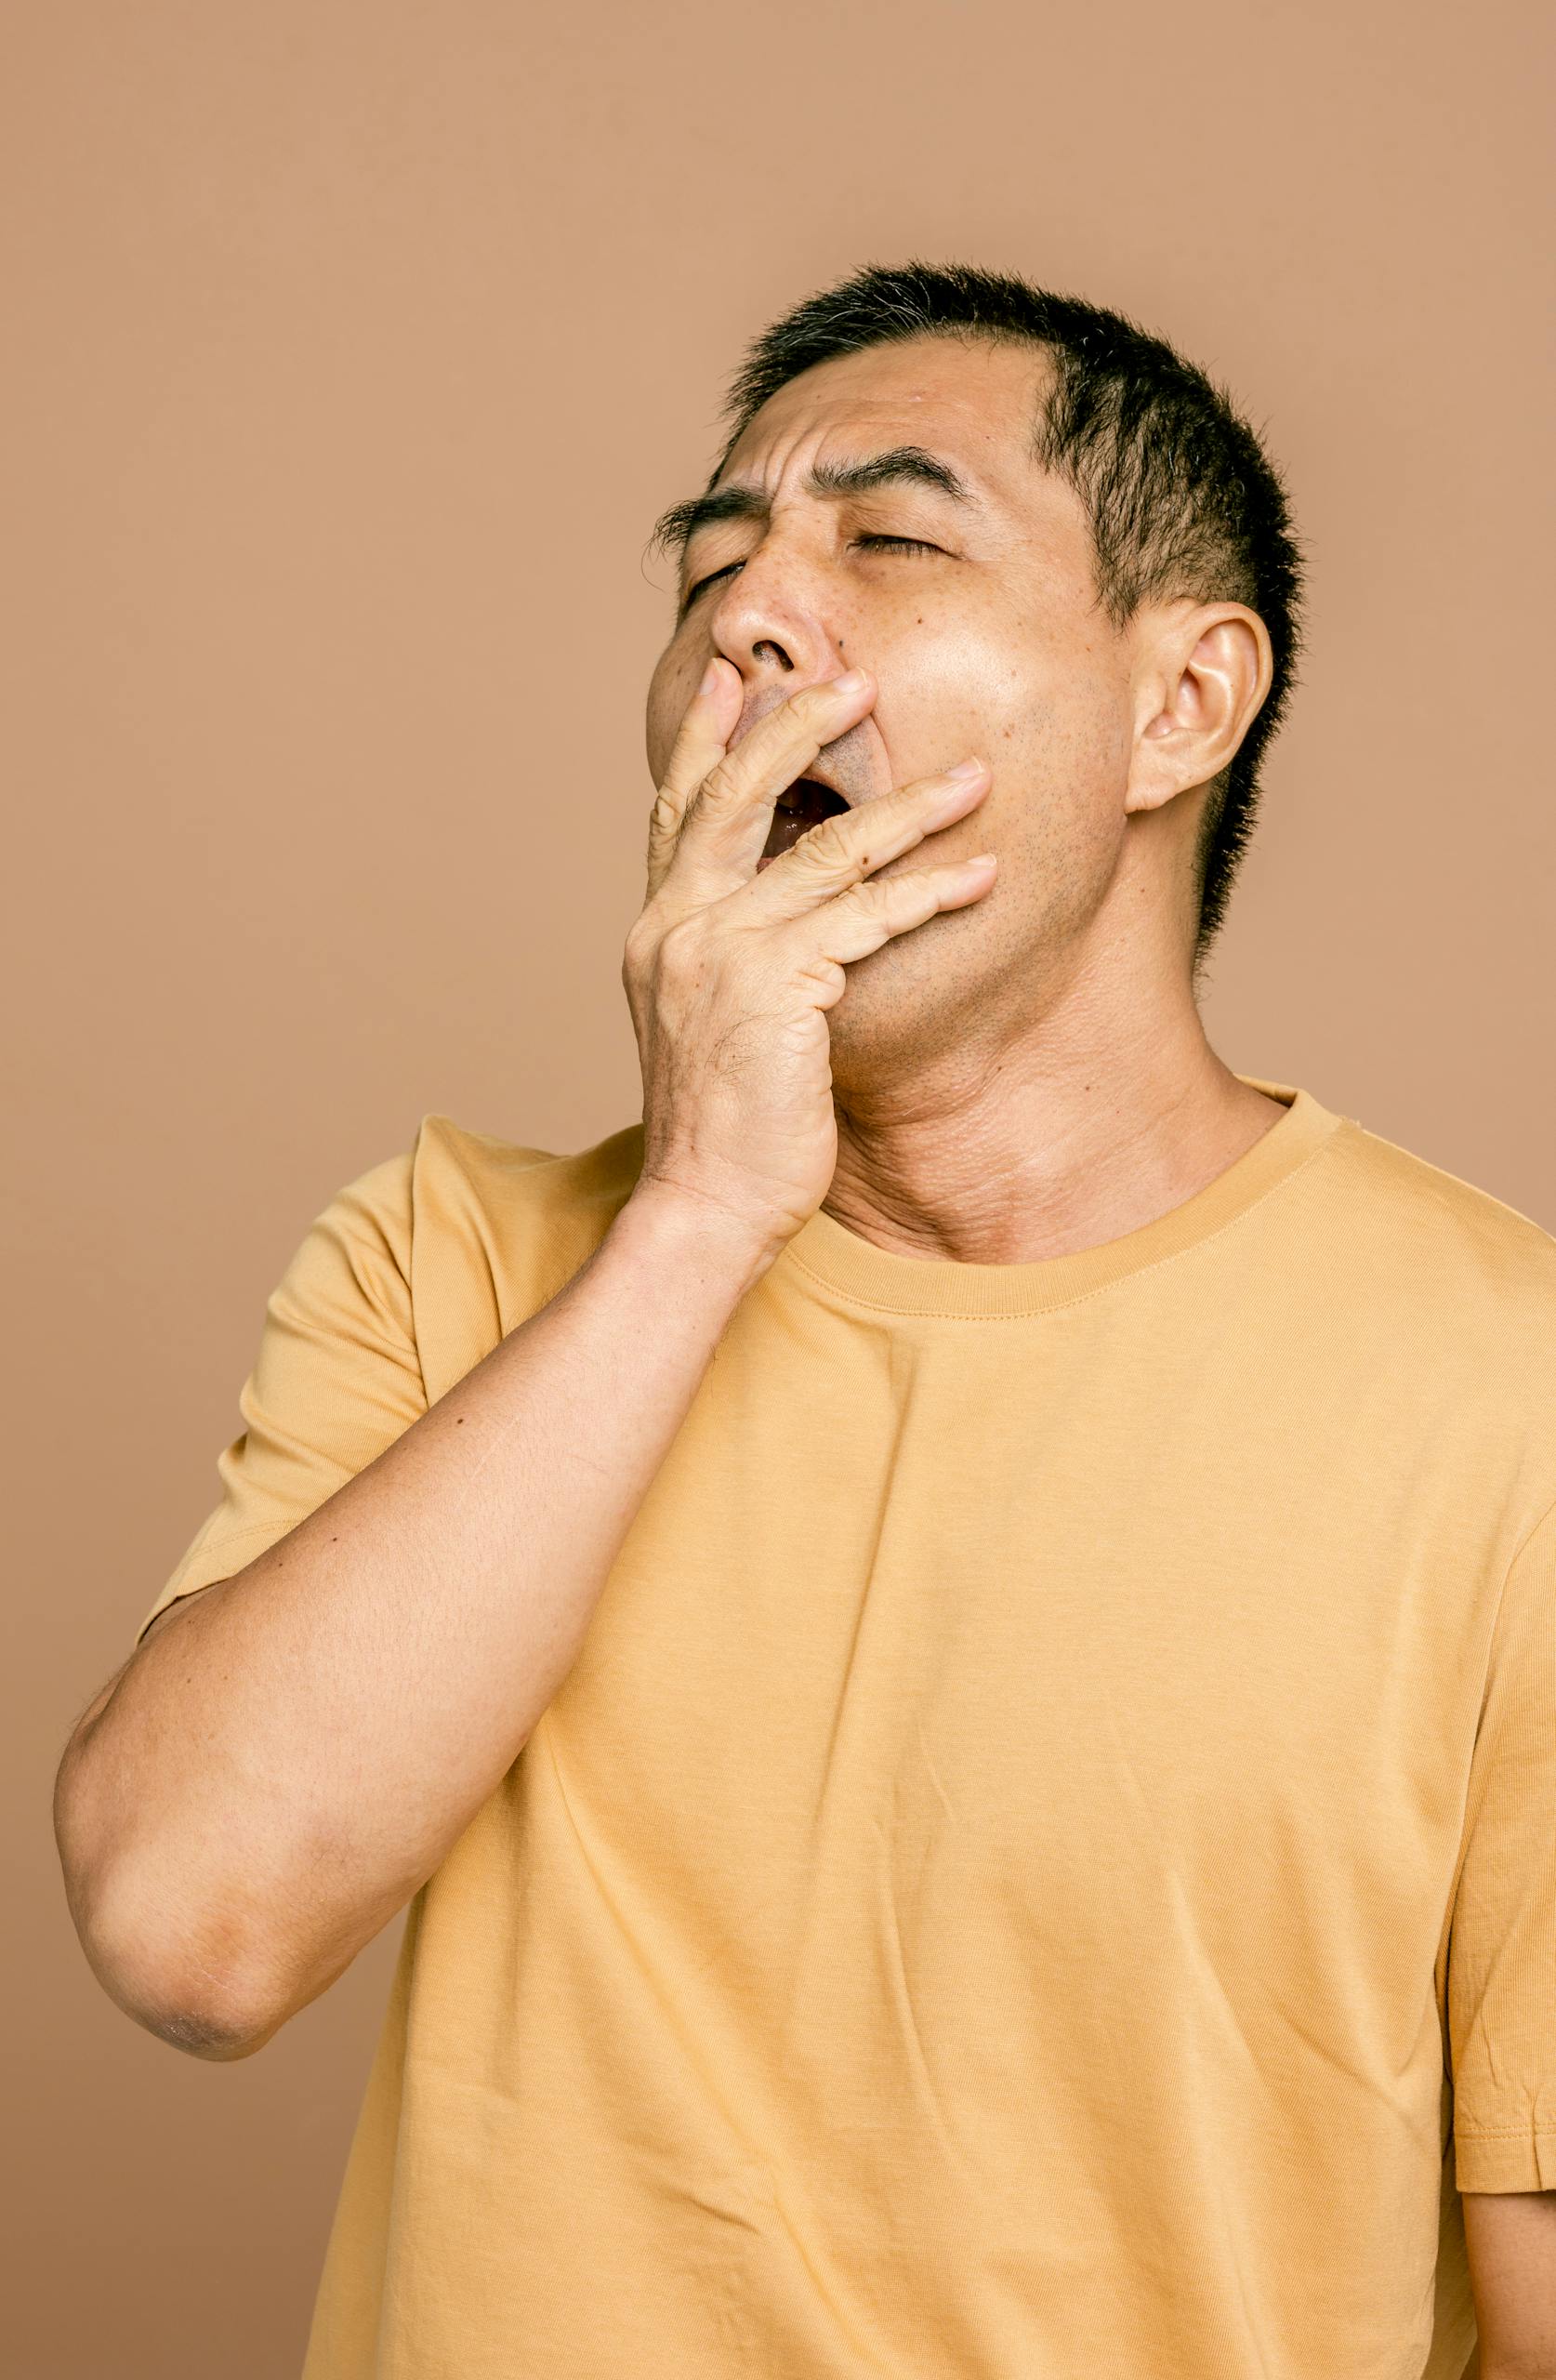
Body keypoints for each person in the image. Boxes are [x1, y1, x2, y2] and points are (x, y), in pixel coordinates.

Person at [55, 261, 1555, 2378]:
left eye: (891, 536)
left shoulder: (1511, 1396)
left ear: (1182, 702)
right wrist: (699, 1209)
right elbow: (188, 1920)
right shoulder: (452, 1255)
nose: (748, 622)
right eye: (713, 566)